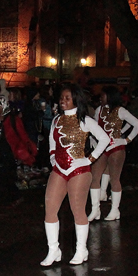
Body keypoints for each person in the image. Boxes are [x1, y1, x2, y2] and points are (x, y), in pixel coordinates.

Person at [41, 84, 110, 266]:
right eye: (61, 98)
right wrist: (53, 157)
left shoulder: (85, 120)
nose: (63, 101)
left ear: (76, 100)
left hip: (79, 170)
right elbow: (52, 141)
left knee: (77, 210)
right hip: (59, 169)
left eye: (67, 98)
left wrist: (90, 159)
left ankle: (81, 250)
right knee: (50, 209)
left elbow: (104, 139)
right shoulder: (56, 120)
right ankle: (53, 250)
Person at [88, 86, 138, 222]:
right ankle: (95, 210)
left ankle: (115, 210)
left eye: (103, 95)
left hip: (116, 149)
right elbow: (95, 128)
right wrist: (92, 140)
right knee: (94, 177)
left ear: (110, 96)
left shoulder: (120, 110)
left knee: (115, 179)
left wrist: (125, 140)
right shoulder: (99, 110)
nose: (100, 98)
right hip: (102, 148)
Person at [0, 96, 37, 210]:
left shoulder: (13, 119)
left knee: (3, 177)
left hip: (9, 153)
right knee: (4, 178)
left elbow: (22, 135)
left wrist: (28, 149)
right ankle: (15, 196)